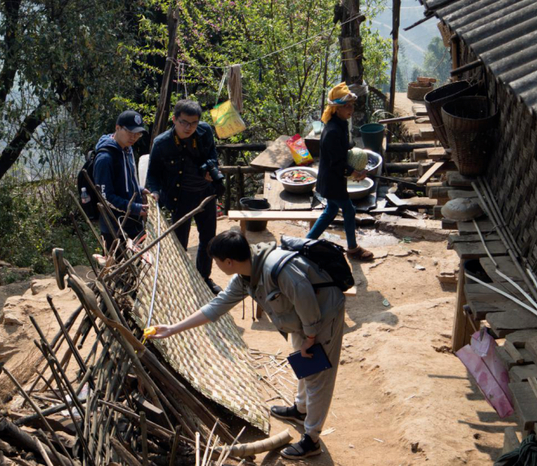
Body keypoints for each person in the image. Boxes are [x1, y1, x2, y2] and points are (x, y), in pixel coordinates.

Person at [149, 230, 345, 460]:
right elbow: (217, 306)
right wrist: (173, 328)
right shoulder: (245, 276)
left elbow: (307, 301)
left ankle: (312, 439)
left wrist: (310, 338)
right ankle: (301, 410)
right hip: (302, 320)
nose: (216, 265)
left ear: (228, 262)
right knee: (305, 364)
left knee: (317, 377)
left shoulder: (277, 269)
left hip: (323, 315)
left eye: (216, 261)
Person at [146, 100, 225, 295]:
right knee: (179, 243)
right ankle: (179, 282)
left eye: (193, 123)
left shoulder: (205, 132)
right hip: (179, 197)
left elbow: (212, 154)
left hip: (206, 194)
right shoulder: (162, 144)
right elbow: (153, 175)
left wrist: (211, 168)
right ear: (174, 119)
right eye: (184, 122)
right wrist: (154, 192)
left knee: (208, 239)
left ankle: (204, 279)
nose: (189, 127)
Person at [308, 82, 374, 261]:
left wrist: (357, 162)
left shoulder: (341, 124)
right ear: (336, 108)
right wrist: (354, 173)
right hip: (332, 179)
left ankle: (306, 242)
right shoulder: (332, 131)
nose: (351, 109)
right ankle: (352, 248)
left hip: (334, 177)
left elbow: (343, 150)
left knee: (330, 211)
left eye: (351, 105)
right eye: (347, 106)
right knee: (349, 210)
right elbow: (336, 162)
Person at [91, 110, 149, 251]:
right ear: (117, 128)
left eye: (138, 134)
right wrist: (135, 208)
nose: (134, 137)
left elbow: (127, 181)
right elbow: (105, 197)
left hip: (133, 223)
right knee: (117, 263)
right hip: (115, 228)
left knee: (140, 261)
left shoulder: (127, 150)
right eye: (130, 132)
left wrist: (140, 190)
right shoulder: (105, 158)